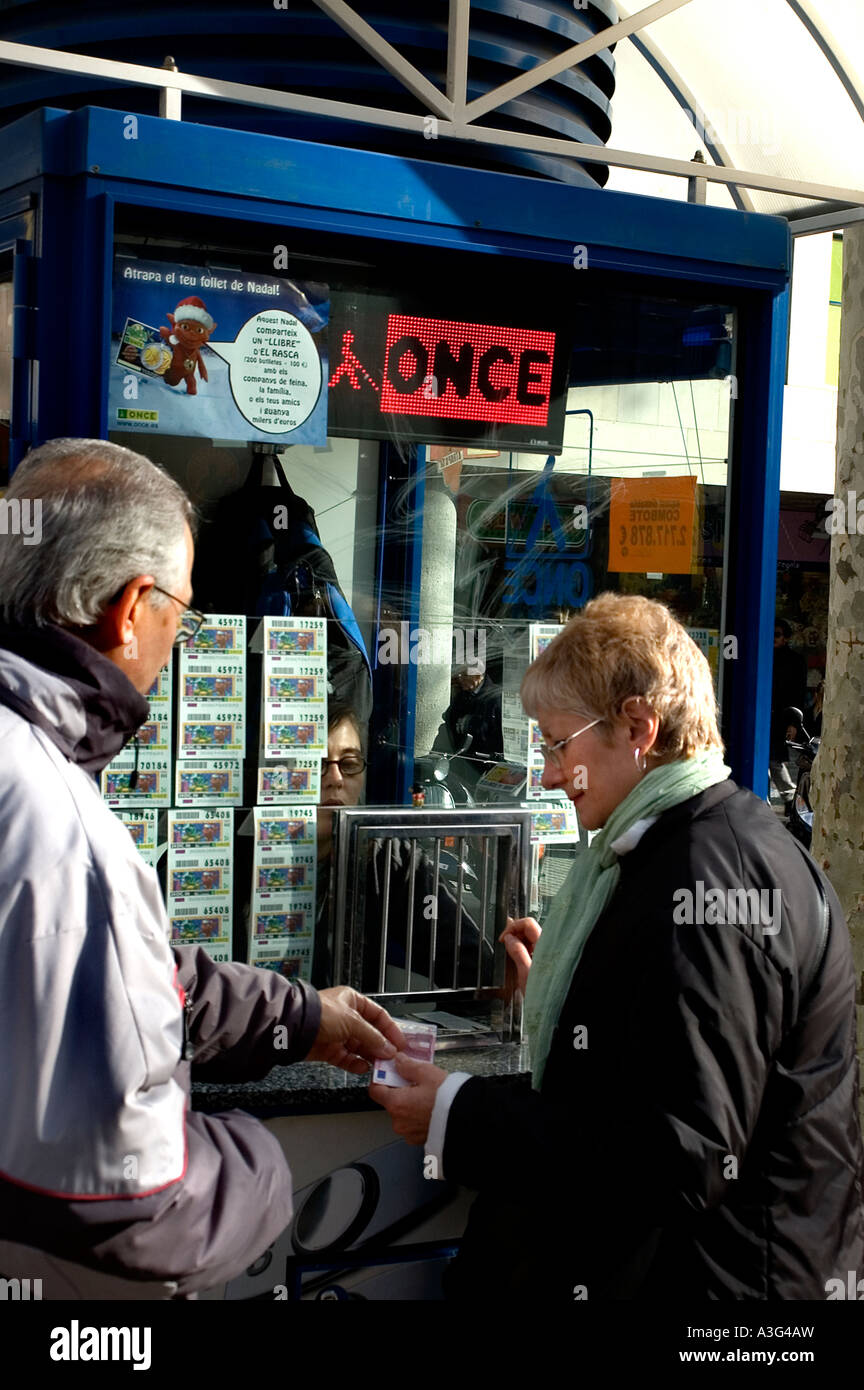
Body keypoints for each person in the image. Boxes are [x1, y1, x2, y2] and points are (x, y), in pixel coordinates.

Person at [371, 592, 864, 1300]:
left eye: (557, 744)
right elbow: (650, 1071)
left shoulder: (705, 878)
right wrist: (576, 994)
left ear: (638, 726)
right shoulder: (707, 846)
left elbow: (679, 1155)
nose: (544, 774)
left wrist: (458, 1114)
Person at [0, 438, 403, 1299]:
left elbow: (119, 976)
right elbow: (142, 1206)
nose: (182, 647)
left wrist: (297, 1017)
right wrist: (268, 1162)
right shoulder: (58, 822)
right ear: (132, 609)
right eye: (185, 617)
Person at [313, 704, 489, 991]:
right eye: (316, 764)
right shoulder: (241, 854)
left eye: (349, 764)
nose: (335, 780)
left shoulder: (383, 856)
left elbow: (464, 957)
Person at [769, 617, 808, 807]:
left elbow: (798, 693)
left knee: (775, 760)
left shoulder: (795, 661)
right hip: (763, 715)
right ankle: (785, 799)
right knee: (769, 761)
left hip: (782, 717)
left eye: (777, 635)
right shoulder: (762, 656)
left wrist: (793, 722)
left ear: (786, 638)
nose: (773, 638)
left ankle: (791, 798)